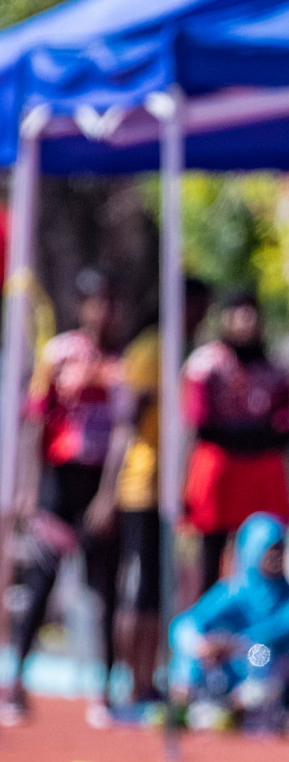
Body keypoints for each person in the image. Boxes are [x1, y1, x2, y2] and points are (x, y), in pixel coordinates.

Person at [3, 270, 122, 727]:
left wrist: (109, 496)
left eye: (111, 301)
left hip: (98, 486)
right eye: (96, 301)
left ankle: (105, 691)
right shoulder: (58, 354)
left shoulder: (119, 363)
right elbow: (36, 422)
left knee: (104, 590)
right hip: (58, 483)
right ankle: (15, 684)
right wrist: (29, 491)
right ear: (82, 305)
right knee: (39, 583)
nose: (104, 311)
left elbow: (122, 434)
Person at [89, 276, 213, 713]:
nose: (202, 316)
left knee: (158, 590)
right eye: (198, 307)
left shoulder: (182, 352)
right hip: (140, 487)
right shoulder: (151, 350)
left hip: (166, 491)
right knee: (137, 588)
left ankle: (147, 681)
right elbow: (125, 428)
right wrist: (108, 493)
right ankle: (127, 681)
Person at [182, 290, 289, 595]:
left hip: (260, 475)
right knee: (212, 556)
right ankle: (207, 629)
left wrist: (244, 434)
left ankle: (259, 633)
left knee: (264, 555)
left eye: (251, 312)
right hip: (222, 473)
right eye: (238, 312)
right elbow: (204, 424)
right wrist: (255, 433)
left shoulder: (275, 369)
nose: (245, 321)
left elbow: (285, 429)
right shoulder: (206, 364)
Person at [169, 512, 289, 727]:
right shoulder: (232, 592)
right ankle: (187, 703)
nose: (276, 556)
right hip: (233, 675)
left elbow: (269, 636)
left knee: (261, 654)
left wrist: (229, 645)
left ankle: (243, 707)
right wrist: (201, 646)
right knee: (195, 652)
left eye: (280, 549)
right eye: (269, 549)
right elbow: (184, 625)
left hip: (286, 687)